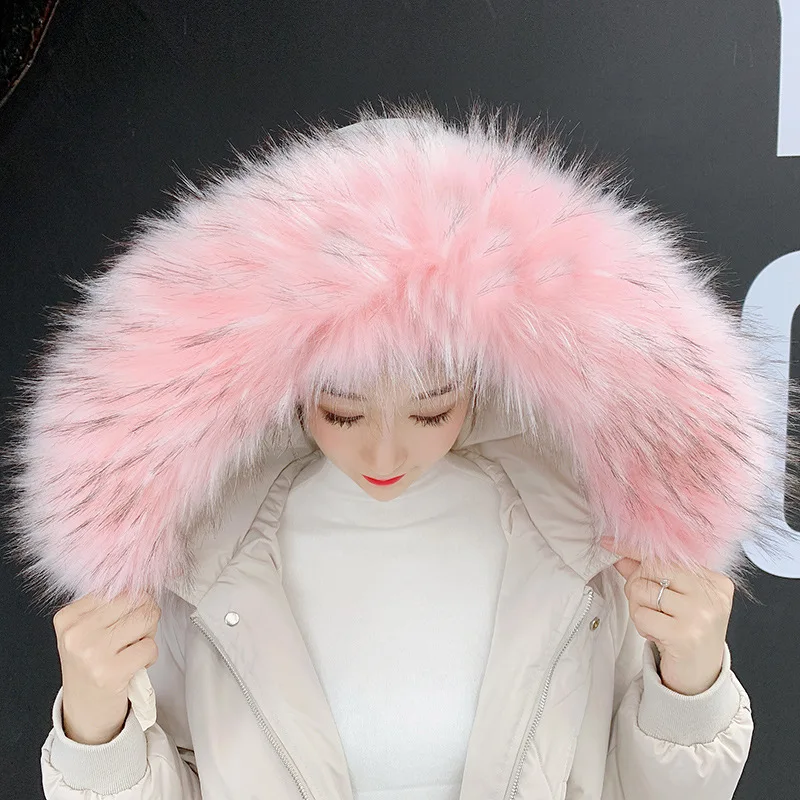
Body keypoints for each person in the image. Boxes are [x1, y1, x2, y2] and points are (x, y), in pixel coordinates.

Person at [7, 103, 784, 799]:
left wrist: (692, 680)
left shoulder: (581, 535)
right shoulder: (208, 554)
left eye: (431, 410)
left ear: (481, 376)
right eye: (341, 413)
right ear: (289, 384)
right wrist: (95, 728)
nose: (385, 451)